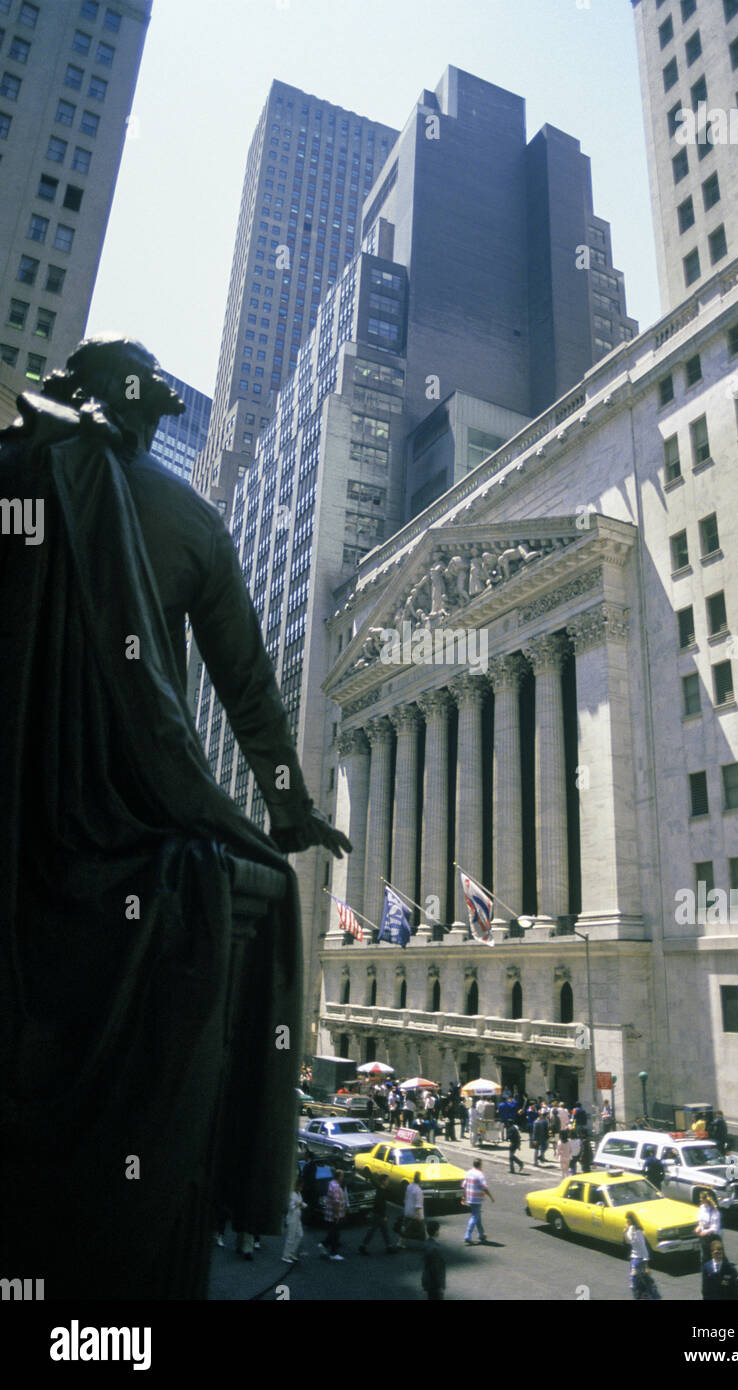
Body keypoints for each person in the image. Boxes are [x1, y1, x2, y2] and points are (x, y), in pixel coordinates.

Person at [0, 335, 352, 1300]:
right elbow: (247, 686)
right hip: (136, 802)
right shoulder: (193, 520)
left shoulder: (16, 468)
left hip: (21, 795)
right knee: (266, 886)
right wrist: (288, 812)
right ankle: (230, 1180)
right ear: (157, 409)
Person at [359, 1173, 397, 1255]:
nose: (388, 1182)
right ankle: (363, 1246)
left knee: (381, 1231)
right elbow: (380, 1204)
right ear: (383, 1181)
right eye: (387, 1180)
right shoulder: (381, 1192)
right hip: (378, 1215)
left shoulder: (380, 1190)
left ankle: (388, 1246)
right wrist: (383, 1216)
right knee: (375, 1231)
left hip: (378, 1214)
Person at [624, 1212, 658, 1300]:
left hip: (639, 1260)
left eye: (627, 1220)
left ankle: (646, 1296)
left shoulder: (638, 1232)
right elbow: (628, 1241)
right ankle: (644, 1296)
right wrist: (626, 1230)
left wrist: (646, 1265)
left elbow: (643, 1248)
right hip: (633, 1259)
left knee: (634, 1282)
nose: (626, 1222)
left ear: (631, 1220)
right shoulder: (631, 1230)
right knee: (639, 1281)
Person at [462, 1157, 494, 1245]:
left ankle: (481, 1234)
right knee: (474, 1216)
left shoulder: (468, 1172)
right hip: (477, 1199)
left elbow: (464, 1185)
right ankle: (467, 1235)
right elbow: (484, 1187)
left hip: (470, 1197)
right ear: (480, 1165)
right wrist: (491, 1197)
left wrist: (464, 1197)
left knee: (477, 1216)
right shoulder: (480, 1174)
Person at [319, 1170, 347, 1261]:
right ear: (339, 1177)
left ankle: (324, 1245)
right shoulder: (335, 1187)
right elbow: (336, 1202)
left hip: (331, 1214)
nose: (343, 1178)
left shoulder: (332, 1184)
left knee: (333, 1232)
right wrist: (337, 1215)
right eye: (342, 1176)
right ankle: (333, 1253)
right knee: (335, 1233)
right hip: (335, 1215)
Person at [694, 1191, 722, 1264]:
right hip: (704, 1237)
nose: (700, 1200)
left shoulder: (714, 1210)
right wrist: (699, 1227)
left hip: (713, 1237)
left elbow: (715, 1227)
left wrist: (706, 1232)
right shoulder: (702, 1208)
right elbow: (701, 1221)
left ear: (706, 1199)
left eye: (701, 1198)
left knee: (716, 1257)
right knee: (704, 1256)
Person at [421, 1221, 446, 1300]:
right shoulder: (435, 1249)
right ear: (436, 1232)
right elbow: (436, 1270)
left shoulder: (426, 1244)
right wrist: (440, 1286)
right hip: (434, 1284)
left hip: (428, 1280)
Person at [400, 1171, 426, 1247]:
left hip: (407, 1211)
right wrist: (418, 1216)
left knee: (404, 1227)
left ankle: (400, 1242)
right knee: (423, 1230)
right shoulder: (419, 1191)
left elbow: (406, 1198)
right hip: (415, 1214)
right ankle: (427, 1244)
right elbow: (418, 1205)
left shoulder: (409, 1186)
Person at [281, 1189, 304, 1267]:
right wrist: (298, 1204)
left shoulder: (299, 1193)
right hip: (292, 1218)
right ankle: (285, 1255)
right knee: (291, 1237)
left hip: (298, 1217)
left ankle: (291, 1252)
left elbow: (300, 1203)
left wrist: (301, 1204)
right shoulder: (292, 1194)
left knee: (300, 1234)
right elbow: (291, 1207)